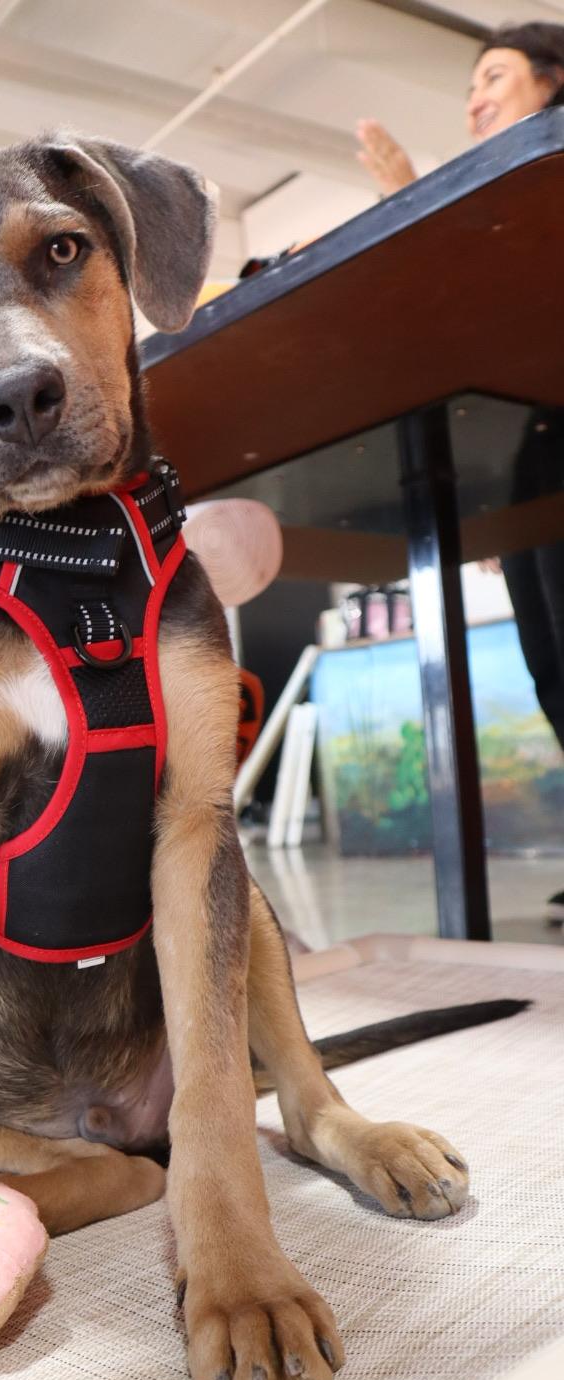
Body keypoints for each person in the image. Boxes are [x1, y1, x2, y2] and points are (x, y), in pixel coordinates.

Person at [356, 23, 564, 924]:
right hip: (532, 448)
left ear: (554, 84)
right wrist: (488, 493)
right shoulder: (492, 194)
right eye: (471, 84)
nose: (475, 97)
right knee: (550, 664)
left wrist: (411, 199)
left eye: (495, 75)